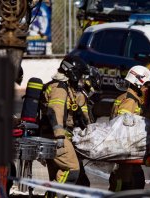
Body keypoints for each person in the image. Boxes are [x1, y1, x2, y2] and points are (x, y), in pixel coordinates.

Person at [40, 56, 90, 197]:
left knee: (58, 176)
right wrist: (60, 136)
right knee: (72, 169)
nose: (80, 77)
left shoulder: (66, 88)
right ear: (72, 72)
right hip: (56, 137)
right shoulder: (59, 88)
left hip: (54, 136)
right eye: (79, 73)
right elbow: (54, 111)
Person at [108, 65, 150, 192]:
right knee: (126, 180)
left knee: (136, 178)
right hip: (125, 149)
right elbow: (123, 125)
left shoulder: (126, 97)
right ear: (137, 83)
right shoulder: (130, 101)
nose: (146, 89)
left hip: (125, 148)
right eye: (145, 85)